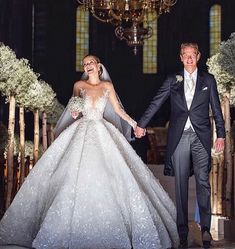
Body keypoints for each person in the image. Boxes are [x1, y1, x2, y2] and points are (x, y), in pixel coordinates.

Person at [0, 55, 179, 249]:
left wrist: (136, 125)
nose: (88, 65)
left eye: (91, 62)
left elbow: (119, 111)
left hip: (102, 129)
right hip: (82, 129)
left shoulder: (107, 87)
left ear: (98, 65)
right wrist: (75, 112)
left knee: (113, 172)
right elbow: (73, 108)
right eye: (85, 64)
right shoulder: (79, 85)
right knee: (70, 173)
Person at [135, 43, 225, 248]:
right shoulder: (172, 80)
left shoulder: (208, 80)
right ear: (181, 58)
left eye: (193, 55)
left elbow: (217, 109)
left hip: (201, 136)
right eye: (186, 55)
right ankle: (182, 232)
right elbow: (156, 102)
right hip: (180, 137)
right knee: (181, 184)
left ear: (199, 56)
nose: (189, 59)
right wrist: (141, 124)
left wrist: (220, 134)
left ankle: (205, 230)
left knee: (203, 182)